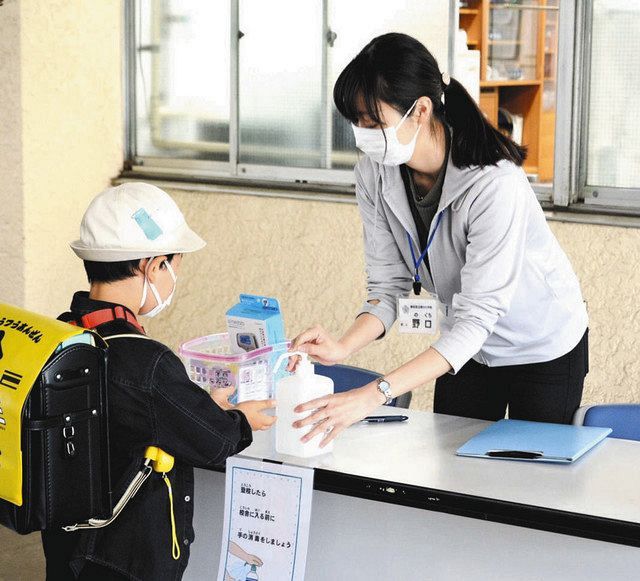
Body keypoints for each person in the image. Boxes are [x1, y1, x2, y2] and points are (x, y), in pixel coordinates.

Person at [289, 33, 589, 448]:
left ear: (421, 111)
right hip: (464, 343)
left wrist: (372, 395)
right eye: (356, 122)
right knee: (451, 465)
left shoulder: (494, 184)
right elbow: (388, 286)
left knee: (532, 478)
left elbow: (479, 317)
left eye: (373, 122)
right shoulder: (374, 173)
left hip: (538, 345)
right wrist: (343, 345)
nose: (363, 134)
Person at [41, 182, 276, 581]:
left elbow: (137, 412)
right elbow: (214, 440)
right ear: (153, 267)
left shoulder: (63, 334)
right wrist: (240, 418)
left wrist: (198, 406)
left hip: (67, 546)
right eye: (174, 269)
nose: (171, 282)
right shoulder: (144, 360)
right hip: (126, 558)